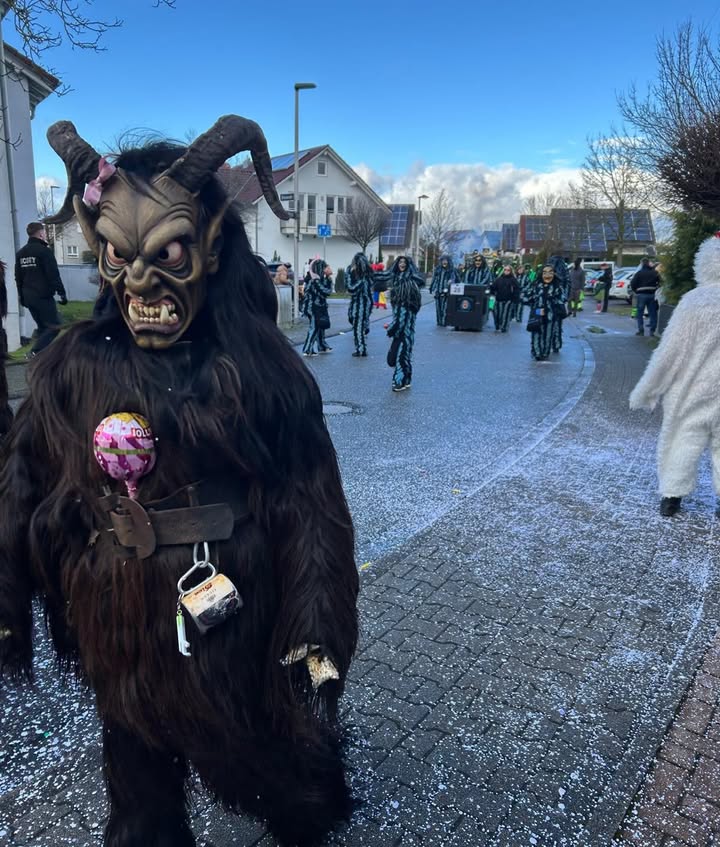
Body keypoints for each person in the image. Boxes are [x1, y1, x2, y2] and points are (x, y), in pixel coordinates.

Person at [0, 115, 359, 847]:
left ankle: (309, 802)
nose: (139, 283)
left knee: (280, 759)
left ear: (213, 247)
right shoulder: (74, 368)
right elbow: (23, 481)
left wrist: (316, 627)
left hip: (230, 615)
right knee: (136, 787)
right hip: (118, 626)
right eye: (117, 257)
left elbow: (311, 505)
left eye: (165, 253)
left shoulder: (260, 374)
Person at [629, 233, 720, 517]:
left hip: (691, 389)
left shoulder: (693, 302)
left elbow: (670, 351)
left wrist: (649, 388)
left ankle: (671, 496)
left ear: (704, 264)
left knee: (681, 438)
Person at [14, 221, 67, 356]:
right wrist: (61, 292)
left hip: (28, 297)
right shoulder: (44, 251)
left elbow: (18, 277)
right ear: (41, 233)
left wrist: (21, 297)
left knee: (43, 328)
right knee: (54, 326)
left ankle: (43, 357)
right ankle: (34, 352)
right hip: (43, 296)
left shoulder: (21, 253)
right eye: (44, 232)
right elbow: (53, 274)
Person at [375, 255, 424, 391]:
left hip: (403, 328)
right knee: (405, 353)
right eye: (400, 262)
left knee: (400, 355)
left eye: (404, 262)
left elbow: (403, 314)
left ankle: (399, 381)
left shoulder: (406, 286)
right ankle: (406, 379)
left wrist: (391, 328)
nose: (402, 264)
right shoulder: (399, 281)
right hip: (407, 328)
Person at [527, 264, 565, 361]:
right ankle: (537, 352)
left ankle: (545, 352)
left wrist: (552, 302)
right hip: (537, 312)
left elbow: (563, 299)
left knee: (548, 334)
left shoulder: (557, 286)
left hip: (551, 314)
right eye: (545, 272)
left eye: (550, 272)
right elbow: (525, 296)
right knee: (536, 332)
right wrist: (535, 303)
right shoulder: (536, 285)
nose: (547, 275)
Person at [301, 258, 333, 356]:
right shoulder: (314, 281)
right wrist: (328, 279)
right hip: (313, 307)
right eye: (326, 267)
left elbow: (326, 291)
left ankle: (322, 346)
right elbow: (325, 292)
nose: (329, 268)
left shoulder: (319, 279)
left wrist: (328, 278)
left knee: (320, 327)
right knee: (314, 327)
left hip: (319, 307)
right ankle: (307, 349)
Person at [345, 252, 374, 357]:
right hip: (361, 303)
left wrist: (350, 274)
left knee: (358, 325)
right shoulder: (362, 274)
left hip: (361, 304)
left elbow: (352, 289)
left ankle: (361, 349)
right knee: (356, 322)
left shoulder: (364, 277)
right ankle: (361, 345)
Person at [630, 257, 661, 337]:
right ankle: (652, 331)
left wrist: (636, 291)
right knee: (652, 313)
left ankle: (641, 330)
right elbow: (660, 282)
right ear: (648, 263)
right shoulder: (654, 272)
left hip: (641, 295)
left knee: (640, 313)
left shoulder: (639, 273)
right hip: (652, 294)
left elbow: (633, 283)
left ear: (642, 264)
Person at [429, 254, 459, 327]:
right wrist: (431, 288)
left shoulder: (452, 270)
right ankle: (439, 322)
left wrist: (451, 281)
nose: (444, 262)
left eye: (446, 260)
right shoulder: (438, 269)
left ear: (448, 261)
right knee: (438, 307)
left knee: (445, 308)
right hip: (438, 291)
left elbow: (456, 279)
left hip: (447, 292)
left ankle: (444, 322)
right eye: (443, 260)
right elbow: (434, 279)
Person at [490, 264, 519, 332]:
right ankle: (497, 326)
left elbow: (517, 290)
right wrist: (491, 291)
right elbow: (493, 287)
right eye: (505, 270)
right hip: (498, 299)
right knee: (497, 314)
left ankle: (504, 328)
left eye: (508, 270)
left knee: (505, 315)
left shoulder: (513, 280)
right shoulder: (499, 279)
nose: (506, 271)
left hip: (508, 300)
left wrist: (514, 299)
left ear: (511, 271)